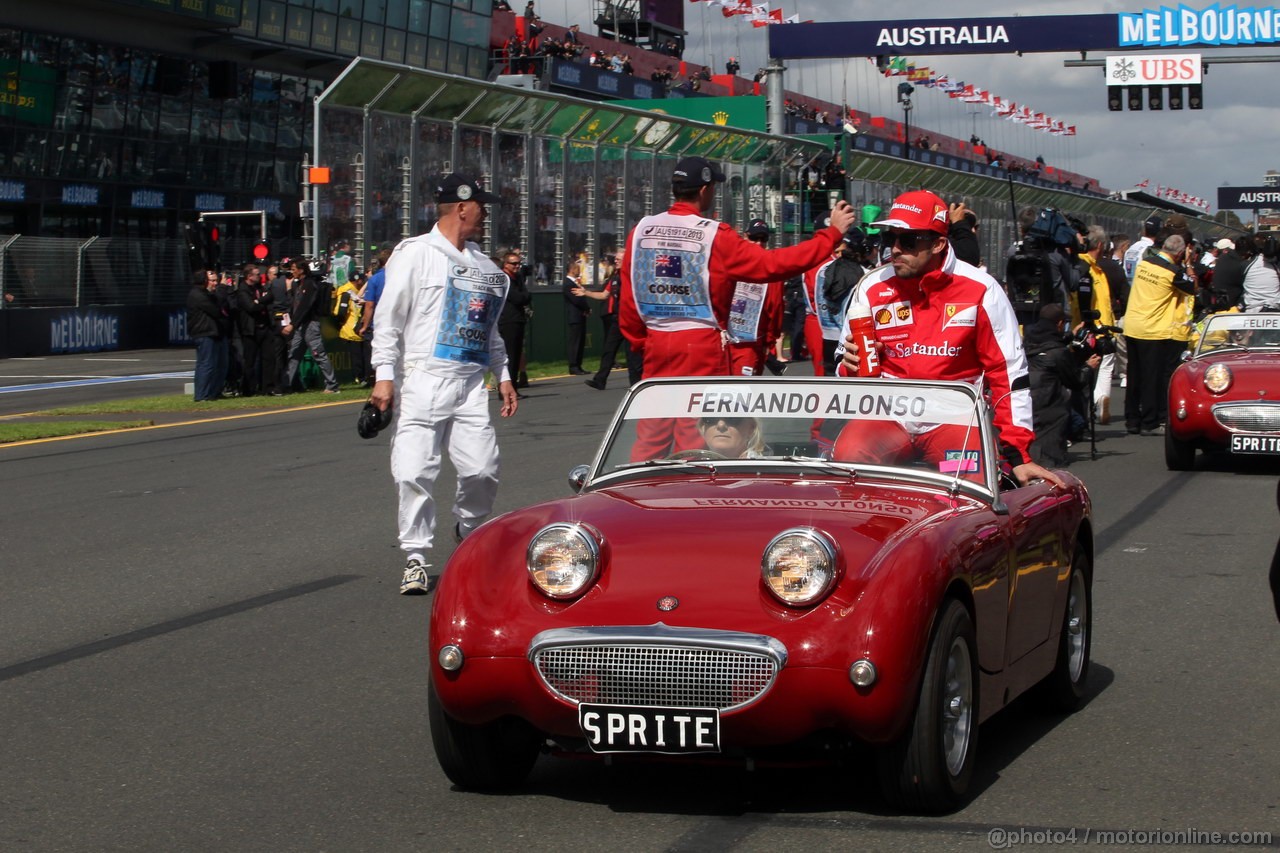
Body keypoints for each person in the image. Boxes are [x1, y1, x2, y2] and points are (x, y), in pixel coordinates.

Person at [618, 155, 856, 458]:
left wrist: (642, 340)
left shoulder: (642, 229)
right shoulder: (714, 234)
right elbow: (773, 265)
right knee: (694, 435)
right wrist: (830, 235)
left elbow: (629, 298)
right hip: (700, 342)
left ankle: (641, 494)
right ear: (705, 190)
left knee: (651, 434)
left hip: (655, 341)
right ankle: (690, 497)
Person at [835, 190, 1062, 487]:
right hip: (888, 416)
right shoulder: (871, 285)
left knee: (973, 479)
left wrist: (1018, 453)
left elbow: (1008, 373)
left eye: (908, 240)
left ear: (939, 243)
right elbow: (842, 366)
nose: (895, 250)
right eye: (890, 239)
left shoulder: (981, 289)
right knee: (846, 459)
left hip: (953, 419)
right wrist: (850, 363)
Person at [369, 172, 519, 595]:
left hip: (471, 384)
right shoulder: (414, 254)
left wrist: (503, 374)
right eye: (482, 208)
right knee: (414, 471)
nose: (485, 216)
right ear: (462, 207)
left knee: (483, 470)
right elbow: (388, 320)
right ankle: (415, 556)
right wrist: (384, 378)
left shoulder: (489, 269)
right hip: (422, 379)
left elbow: (490, 331)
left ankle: (468, 530)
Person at [1124, 233, 1197, 436]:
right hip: (1153, 330)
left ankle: (1132, 419)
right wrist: (1188, 264)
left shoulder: (1144, 264)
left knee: (1134, 376)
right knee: (1151, 378)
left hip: (1132, 325)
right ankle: (1149, 422)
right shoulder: (1173, 272)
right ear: (1180, 253)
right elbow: (1193, 287)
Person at [1024, 304, 1100, 467]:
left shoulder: (1028, 340)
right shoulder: (1059, 352)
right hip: (1050, 403)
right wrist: (1089, 367)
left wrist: (1070, 336)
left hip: (1026, 397)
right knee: (1071, 424)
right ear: (1059, 323)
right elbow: (1076, 381)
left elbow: (1051, 342)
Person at [726, 219, 786, 376]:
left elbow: (776, 308)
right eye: (754, 238)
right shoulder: (728, 260)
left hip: (751, 343)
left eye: (763, 239)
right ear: (745, 236)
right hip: (723, 340)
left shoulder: (772, 270)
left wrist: (769, 341)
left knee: (742, 392)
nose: (759, 243)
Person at [284, 259, 341, 394]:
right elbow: (295, 305)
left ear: (301, 270)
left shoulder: (310, 285)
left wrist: (292, 324)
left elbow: (304, 306)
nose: (292, 272)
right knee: (294, 354)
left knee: (318, 354)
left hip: (310, 325)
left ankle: (332, 385)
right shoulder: (299, 285)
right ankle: (286, 385)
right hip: (300, 325)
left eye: (294, 269)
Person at [187, 269, 228, 402]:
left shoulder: (205, 293)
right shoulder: (197, 295)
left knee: (219, 364)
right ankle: (201, 395)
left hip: (214, 332)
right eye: (211, 280)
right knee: (206, 364)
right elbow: (215, 309)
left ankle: (213, 392)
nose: (214, 283)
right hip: (204, 333)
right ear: (204, 281)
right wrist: (222, 288)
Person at [233, 263, 272, 397]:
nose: (259, 276)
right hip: (250, 329)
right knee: (249, 360)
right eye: (256, 274)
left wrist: (258, 301)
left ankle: (266, 387)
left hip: (263, 326)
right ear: (249, 276)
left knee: (267, 358)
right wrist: (260, 302)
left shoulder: (259, 288)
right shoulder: (243, 290)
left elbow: (268, 298)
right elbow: (250, 307)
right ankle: (248, 389)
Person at [497, 249, 532, 391]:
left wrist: (524, 295)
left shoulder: (517, 278)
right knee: (510, 355)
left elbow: (526, 296)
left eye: (519, 264)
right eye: (514, 264)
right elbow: (519, 298)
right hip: (508, 320)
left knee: (517, 355)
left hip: (518, 319)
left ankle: (514, 387)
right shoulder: (504, 279)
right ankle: (506, 388)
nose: (517, 266)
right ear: (505, 264)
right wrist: (524, 296)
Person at [563, 258, 591, 375]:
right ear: (572, 269)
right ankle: (573, 365)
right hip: (575, 316)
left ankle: (578, 365)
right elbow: (577, 300)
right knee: (575, 341)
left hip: (581, 315)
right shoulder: (568, 284)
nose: (579, 270)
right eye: (577, 268)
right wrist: (587, 308)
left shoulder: (575, 283)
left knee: (580, 341)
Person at [696, 415, 766, 458]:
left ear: (751, 428)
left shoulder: (765, 472)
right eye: (711, 418)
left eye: (732, 418)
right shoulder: (690, 469)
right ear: (702, 426)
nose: (721, 425)